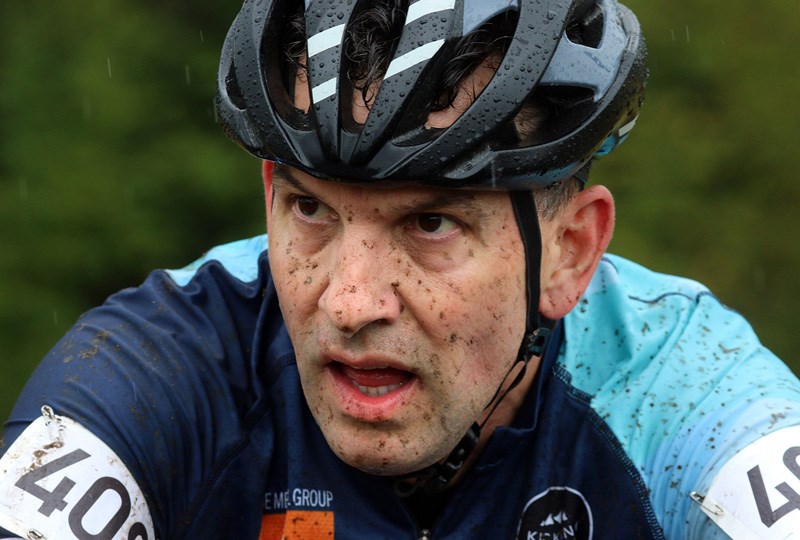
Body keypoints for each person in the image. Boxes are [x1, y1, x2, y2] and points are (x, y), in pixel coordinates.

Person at [1, 0, 799, 538]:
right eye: (313, 210)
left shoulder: (688, 397)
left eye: (430, 222)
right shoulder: (161, 371)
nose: (349, 303)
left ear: (570, 252)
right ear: (270, 196)